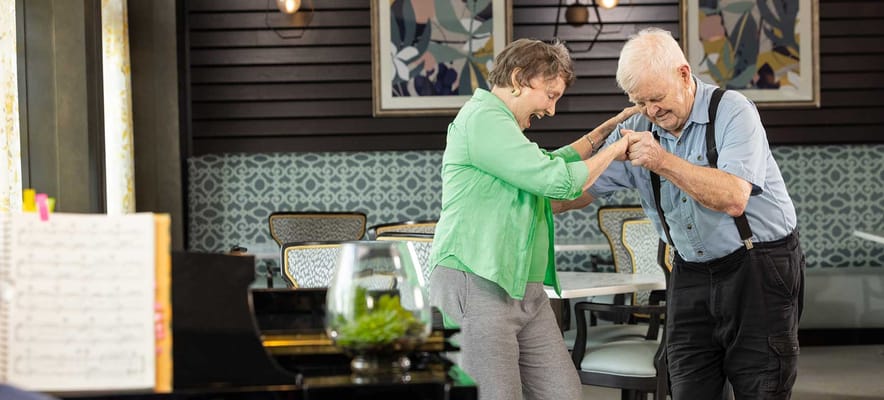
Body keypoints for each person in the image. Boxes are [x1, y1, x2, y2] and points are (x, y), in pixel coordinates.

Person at [560, 28, 806, 399]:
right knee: (687, 386)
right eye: (640, 102)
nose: (651, 111)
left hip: (759, 267)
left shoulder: (733, 111)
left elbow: (733, 197)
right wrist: (527, 189)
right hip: (689, 272)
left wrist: (661, 161)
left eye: (657, 98)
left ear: (684, 74)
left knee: (762, 385)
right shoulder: (638, 125)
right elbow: (577, 192)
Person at [426, 38, 639, 400]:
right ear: (520, 78)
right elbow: (554, 181)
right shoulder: (483, 119)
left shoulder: (502, 126)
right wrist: (616, 150)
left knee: (563, 393)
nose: (552, 110)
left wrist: (605, 133)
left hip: (524, 288)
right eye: (550, 95)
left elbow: (548, 164)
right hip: (478, 280)